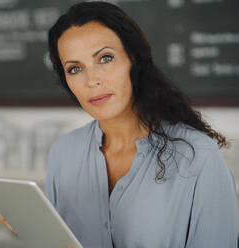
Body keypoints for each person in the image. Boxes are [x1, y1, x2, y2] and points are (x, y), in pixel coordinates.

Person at [45, 1, 238, 248]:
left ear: (133, 59)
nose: (92, 80)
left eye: (105, 58)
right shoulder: (63, 153)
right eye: (74, 69)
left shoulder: (198, 157)